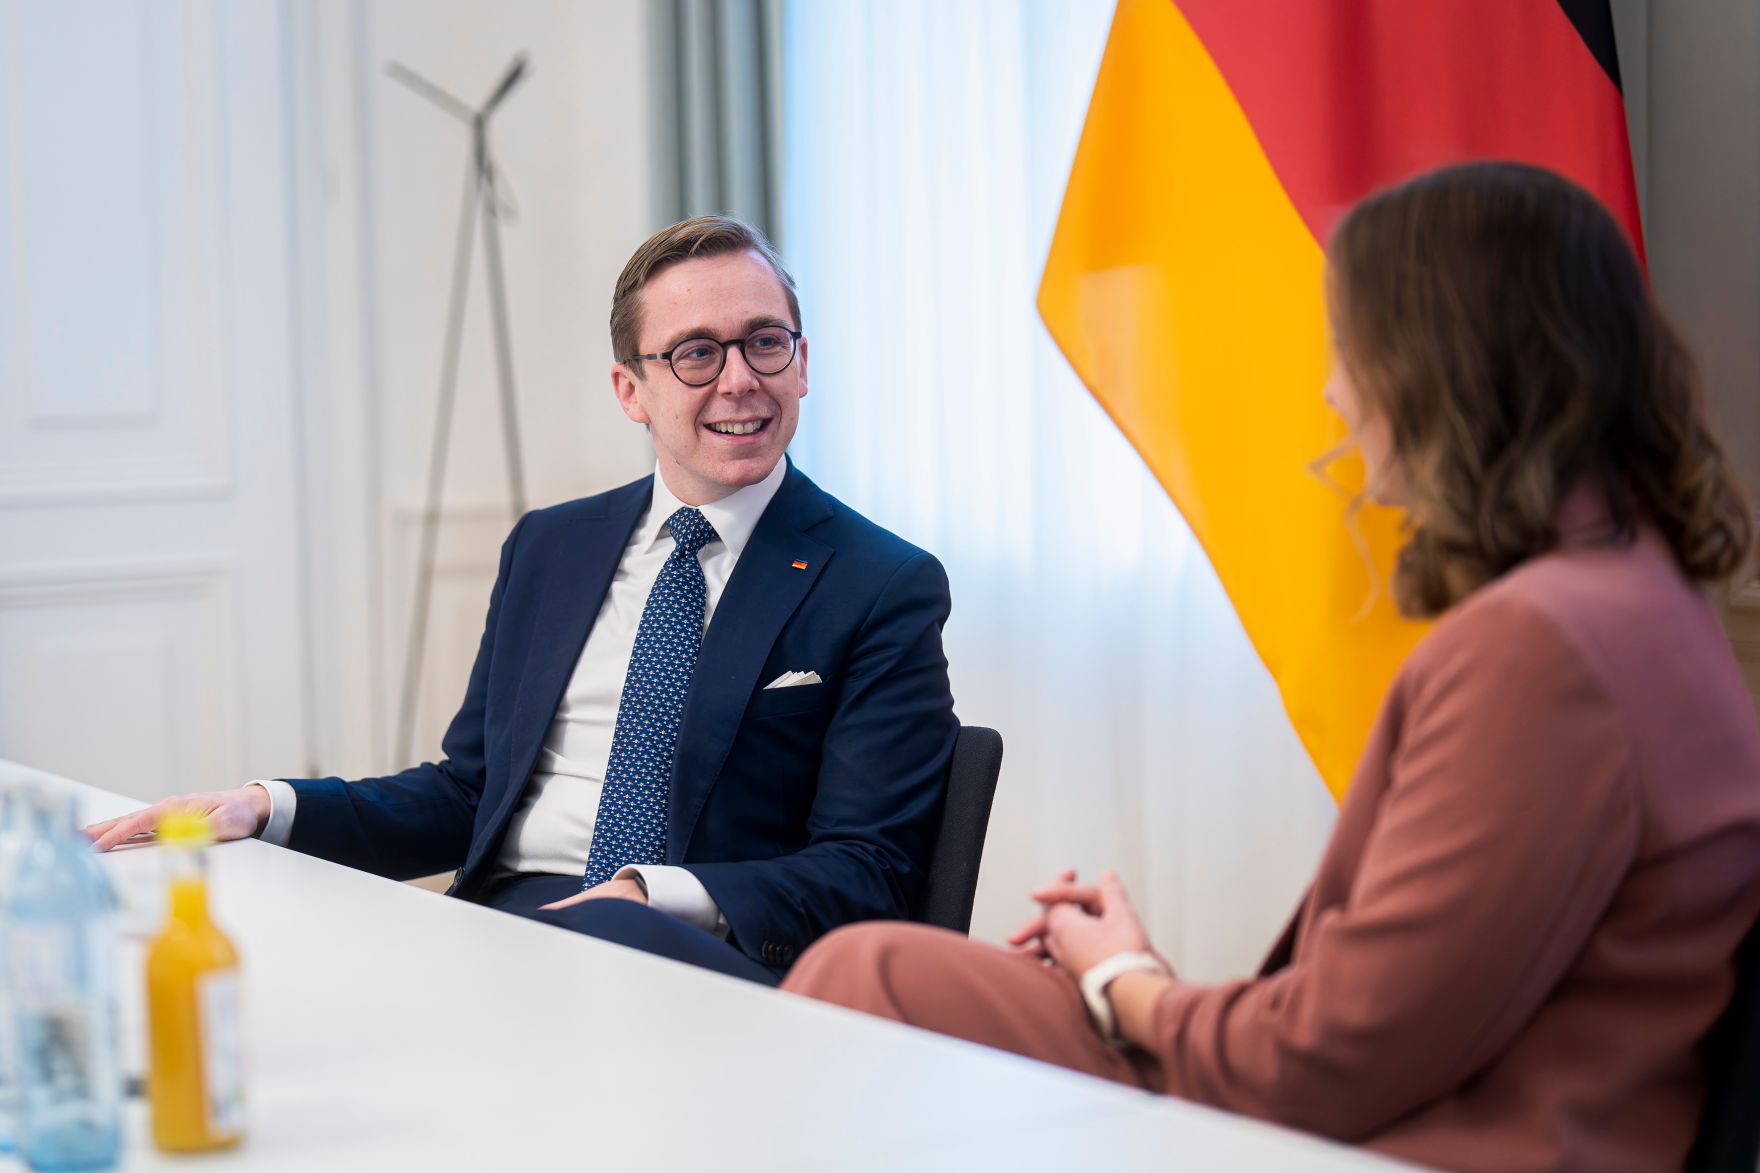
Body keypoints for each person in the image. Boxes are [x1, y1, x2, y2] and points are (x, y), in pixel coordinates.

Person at [782, 161, 1760, 1171]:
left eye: (1349, 349)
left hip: (1407, 1142)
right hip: (1406, 1100)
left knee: (869, 980)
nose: (1335, 393)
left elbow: (1328, 1062)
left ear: (1441, 368)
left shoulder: (1540, 653)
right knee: (881, 971)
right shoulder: (1645, 598)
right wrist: (1137, 977)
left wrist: (1122, 982)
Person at [89, 216, 959, 987]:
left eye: (765, 342)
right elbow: (469, 792)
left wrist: (645, 894)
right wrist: (267, 805)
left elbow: (870, 867)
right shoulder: (552, 545)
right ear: (632, 390)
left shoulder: (880, 582)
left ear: (801, 364)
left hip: (699, 956)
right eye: (696, 352)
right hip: (510, 930)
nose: (738, 379)